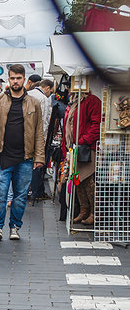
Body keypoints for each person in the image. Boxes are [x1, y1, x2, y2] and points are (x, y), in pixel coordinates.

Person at [0, 63, 46, 240]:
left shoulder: (33, 103)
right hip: (2, 155)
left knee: (20, 196)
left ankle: (14, 227)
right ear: (8, 78)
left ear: (24, 79)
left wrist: (40, 157)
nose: (15, 81)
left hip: (25, 157)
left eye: (18, 78)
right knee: (0, 195)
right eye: (12, 78)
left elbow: (39, 131)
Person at [63, 89, 103, 226]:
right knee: (78, 180)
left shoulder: (91, 101)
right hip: (78, 146)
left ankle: (93, 213)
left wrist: (83, 139)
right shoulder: (76, 102)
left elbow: (96, 125)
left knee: (88, 181)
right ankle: (84, 210)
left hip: (86, 147)